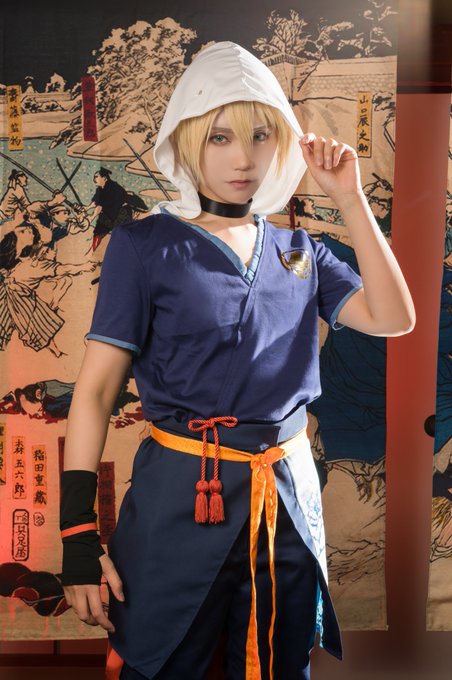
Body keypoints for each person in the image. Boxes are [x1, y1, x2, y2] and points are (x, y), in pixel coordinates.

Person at [60, 42, 415, 680]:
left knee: (278, 662)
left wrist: (351, 198)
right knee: (168, 661)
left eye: (259, 135)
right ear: (186, 139)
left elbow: (394, 318)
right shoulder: (143, 247)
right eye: (220, 137)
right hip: (180, 497)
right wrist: (77, 537)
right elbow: (94, 395)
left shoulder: (301, 251)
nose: (243, 158)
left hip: (284, 500)